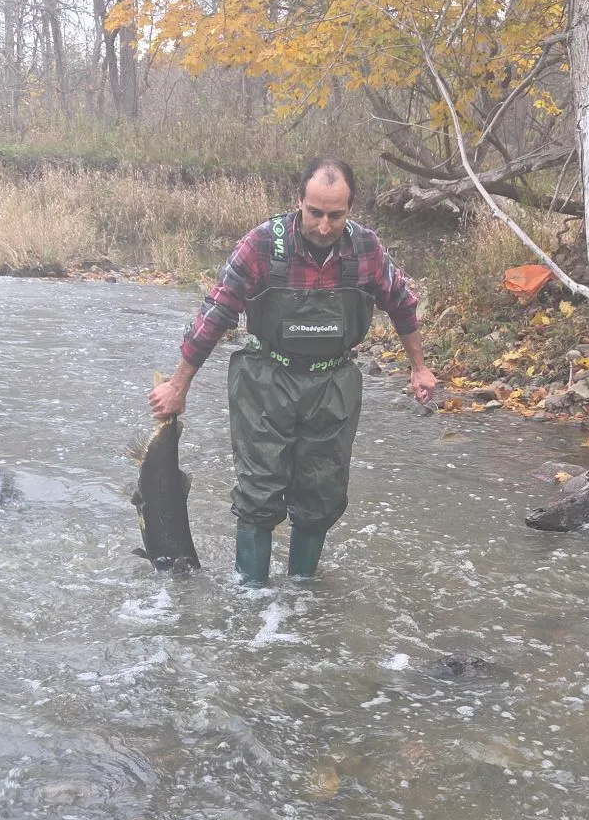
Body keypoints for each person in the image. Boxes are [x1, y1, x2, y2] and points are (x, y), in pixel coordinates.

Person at [148, 156, 437, 583]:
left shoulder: (366, 250)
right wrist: (178, 384)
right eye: (315, 212)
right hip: (265, 379)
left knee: (321, 494)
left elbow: (401, 304)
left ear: (351, 209)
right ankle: (253, 601)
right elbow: (216, 312)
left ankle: (301, 599)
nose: (324, 226)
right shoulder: (262, 246)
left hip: (333, 382)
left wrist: (419, 367)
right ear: (298, 199)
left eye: (335, 215)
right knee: (259, 494)